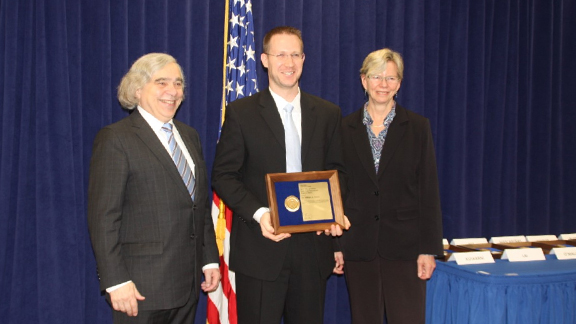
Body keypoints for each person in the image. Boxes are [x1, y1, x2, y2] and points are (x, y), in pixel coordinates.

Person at [212, 26, 350, 324]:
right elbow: (223, 176)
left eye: (295, 55)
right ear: (264, 60)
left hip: (313, 250)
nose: (289, 63)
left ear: (304, 59)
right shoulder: (241, 113)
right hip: (261, 249)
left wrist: (332, 214)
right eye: (281, 54)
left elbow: (339, 172)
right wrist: (261, 214)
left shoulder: (327, 113)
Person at [87, 53, 220, 324]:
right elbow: (103, 218)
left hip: (188, 286)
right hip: (140, 289)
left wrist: (209, 260)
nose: (173, 91)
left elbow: (199, 205)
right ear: (137, 89)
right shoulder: (116, 139)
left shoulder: (190, 135)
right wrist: (115, 280)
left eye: (178, 83)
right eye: (161, 82)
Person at [338, 48, 443, 324]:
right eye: (376, 76)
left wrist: (428, 249)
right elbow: (338, 190)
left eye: (391, 78)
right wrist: (335, 245)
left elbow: (428, 191)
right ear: (364, 81)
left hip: (406, 249)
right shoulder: (343, 128)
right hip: (359, 247)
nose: (383, 84)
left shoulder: (418, 127)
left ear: (399, 83)